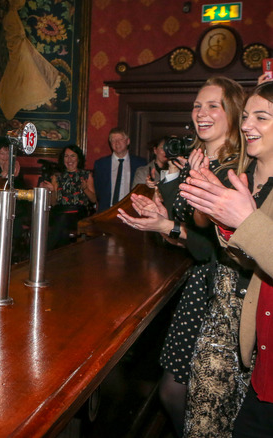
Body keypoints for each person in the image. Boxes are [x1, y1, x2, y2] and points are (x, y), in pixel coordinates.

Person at [117, 76, 247, 437]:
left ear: (234, 113)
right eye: (196, 105)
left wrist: (167, 226)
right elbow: (196, 240)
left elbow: (213, 246)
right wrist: (163, 219)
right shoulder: (201, 161)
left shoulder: (237, 169)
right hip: (199, 286)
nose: (200, 113)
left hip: (223, 292)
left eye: (212, 106)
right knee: (179, 394)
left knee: (191, 399)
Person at [179, 81, 273, 438]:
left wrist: (238, 220)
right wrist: (216, 211)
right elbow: (236, 253)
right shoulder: (243, 176)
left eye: (260, 117)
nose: (247, 124)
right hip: (243, 322)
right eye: (246, 116)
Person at [39, 145, 96, 249]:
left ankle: (44, 252)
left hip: (78, 213)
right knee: (63, 227)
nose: (69, 159)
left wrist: (85, 189)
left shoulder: (86, 175)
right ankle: (61, 260)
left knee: (62, 221)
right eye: (66, 156)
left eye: (72, 156)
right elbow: (54, 203)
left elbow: (93, 200)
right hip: (60, 211)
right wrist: (52, 191)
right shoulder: (57, 177)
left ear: (78, 158)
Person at [93, 127, 147, 211]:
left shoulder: (140, 163)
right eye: (113, 140)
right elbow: (98, 191)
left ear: (127, 141)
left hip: (132, 209)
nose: (117, 143)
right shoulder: (101, 164)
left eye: (120, 139)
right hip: (107, 211)